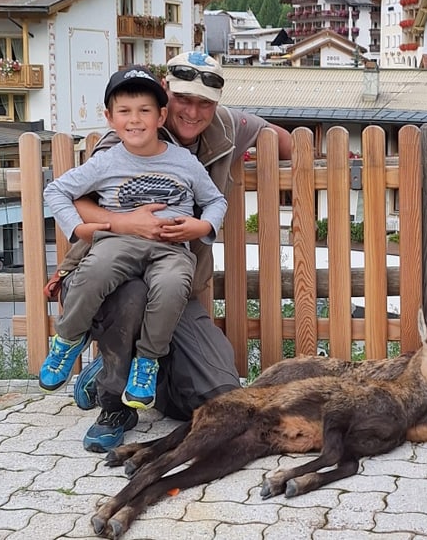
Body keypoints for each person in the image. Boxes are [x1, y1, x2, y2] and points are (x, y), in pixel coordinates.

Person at [69, 51, 293, 452]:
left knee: (221, 393)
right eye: (182, 100)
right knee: (132, 299)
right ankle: (114, 402)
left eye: (204, 102)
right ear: (164, 96)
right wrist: (126, 223)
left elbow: (282, 139)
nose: (192, 111)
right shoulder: (124, 139)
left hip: (175, 285)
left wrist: (279, 167)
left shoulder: (225, 125)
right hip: (116, 279)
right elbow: (77, 202)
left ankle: (132, 369)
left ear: (216, 104)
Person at [40, 66, 228, 412]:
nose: (135, 120)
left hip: (171, 247)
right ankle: (67, 339)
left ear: (161, 116)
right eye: (125, 112)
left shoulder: (184, 162)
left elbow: (216, 200)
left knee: (173, 286)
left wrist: (201, 228)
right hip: (120, 242)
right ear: (110, 117)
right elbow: (57, 191)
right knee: (96, 269)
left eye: (144, 111)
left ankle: (146, 362)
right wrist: (77, 229)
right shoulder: (108, 160)